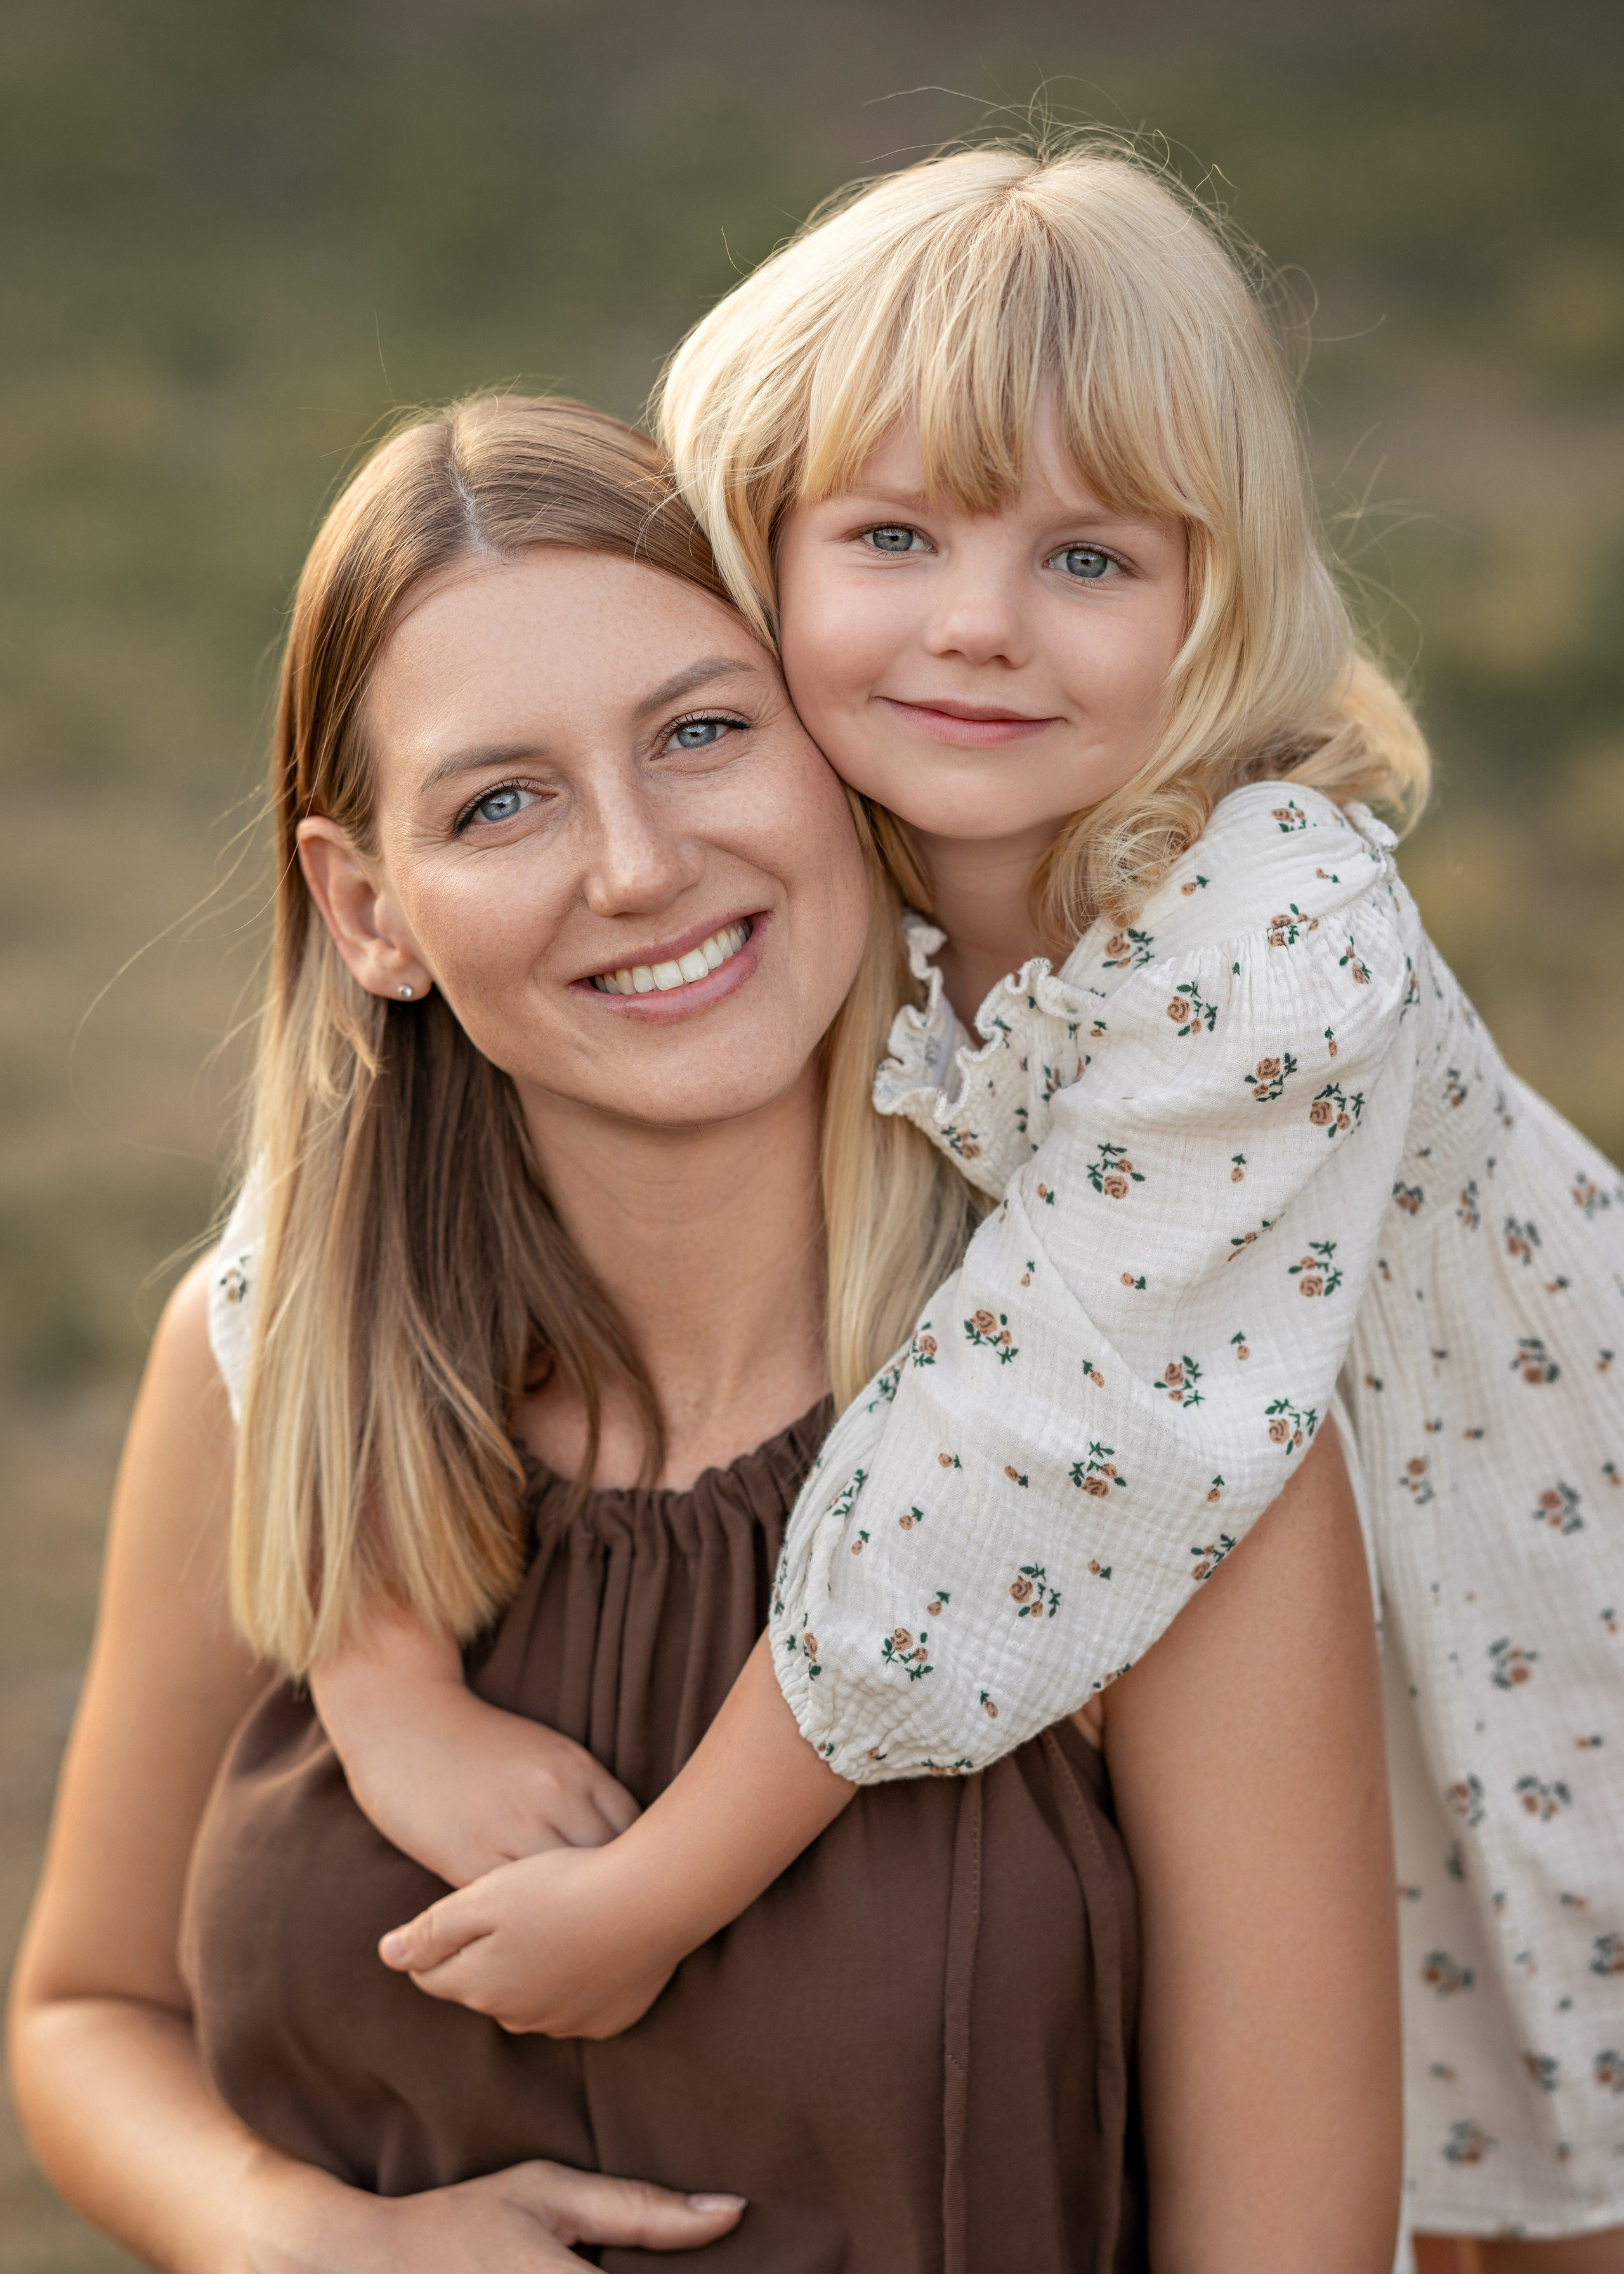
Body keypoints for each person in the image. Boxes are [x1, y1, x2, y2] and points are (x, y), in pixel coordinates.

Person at [309, 143, 1622, 2269]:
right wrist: (378, 1678)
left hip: (1536, 1639)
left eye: (1090, 557)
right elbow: (376, 1195)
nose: (980, 627)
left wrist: (663, 1890)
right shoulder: (816, 841)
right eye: (896, 534)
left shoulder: (1267, 938)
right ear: (762, 546)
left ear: (1220, 592)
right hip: (1249, 1622)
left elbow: (1027, 1451)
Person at [8, 393, 1399, 2271]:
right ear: (368, 910)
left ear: (843, 752)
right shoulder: (263, 1378)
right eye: (502, 801)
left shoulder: (1144, 1443)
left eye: (703, 734)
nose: (641, 865)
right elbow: (85, 2014)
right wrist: (300, 2241)